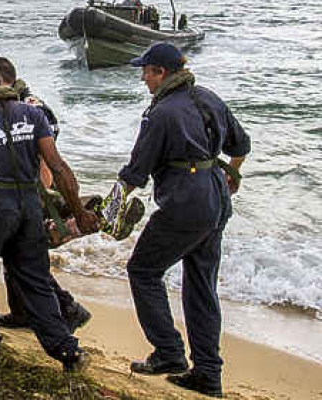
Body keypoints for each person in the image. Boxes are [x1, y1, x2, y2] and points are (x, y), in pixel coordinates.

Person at [120, 42, 249, 397]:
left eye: (146, 71)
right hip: (216, 199)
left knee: (143, 271)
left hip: (184, 203)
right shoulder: (210, 98)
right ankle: (208, 373)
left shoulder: (160, 113)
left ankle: (168, 352)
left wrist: (108, 212)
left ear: (161, 72)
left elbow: (136, 172)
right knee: (201, 285)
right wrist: (231, 178)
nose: (144, 78)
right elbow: (241, 147)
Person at [0, 60, 98, 371]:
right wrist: (78, 211)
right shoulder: (33, 115)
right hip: (29, 204)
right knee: (35, 278)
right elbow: (58, 167)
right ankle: (66, 349)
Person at [0, 57, 90, 333]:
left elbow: (45, 160)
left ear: (2, 82)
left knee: (27, 254)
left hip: (35, 192)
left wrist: (40, 201)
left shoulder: (30, 109)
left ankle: (69, 309)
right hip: (21, 190)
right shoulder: (12, 106)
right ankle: (21, 312)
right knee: (16, 253)